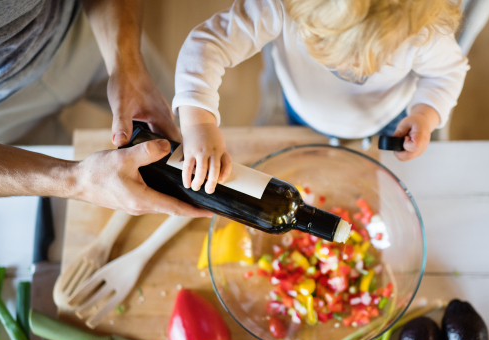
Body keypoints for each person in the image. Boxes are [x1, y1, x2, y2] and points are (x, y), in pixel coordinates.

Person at [174, 0, 470, 195]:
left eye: (376, 59)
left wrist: (425, 114)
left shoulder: (422, 30)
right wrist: (198, 125)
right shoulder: (282, 5)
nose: (353, 69)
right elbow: (207, 46)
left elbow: (446, 73)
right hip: (304, 111)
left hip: (389, 118)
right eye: (337, 57)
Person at [0, 0, 210, 218]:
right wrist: (75, 181)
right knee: (65, 211)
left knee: (185, 127)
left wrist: (126, 61)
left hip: (86, 29)